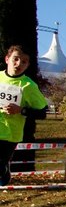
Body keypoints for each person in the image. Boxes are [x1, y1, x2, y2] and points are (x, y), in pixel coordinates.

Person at [0, 46, 48, 186]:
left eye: (24, 62)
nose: (19, 64)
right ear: (7, 59)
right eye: (16, 59)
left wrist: (21, 110)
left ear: (28, 65)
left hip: (10, 133)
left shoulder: (28, 85)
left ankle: (4, 171)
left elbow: (42, 112)